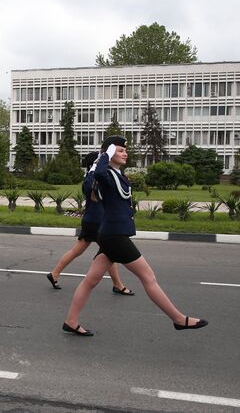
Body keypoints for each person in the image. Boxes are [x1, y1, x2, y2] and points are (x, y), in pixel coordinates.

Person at [63, 136, 208, 336]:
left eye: (125, 150)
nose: (125, 153)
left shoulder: (116, 174)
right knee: (148, 277)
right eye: (120, 150)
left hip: (111, 233)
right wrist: (105, 154)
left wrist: (109, 155)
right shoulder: (103, 173)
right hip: (115, 236)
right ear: (110, 153)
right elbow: (95, 177)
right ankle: (178, 319)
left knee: (91, 280)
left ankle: (71, 321)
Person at [46, 151, 133, 296]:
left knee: (78, 251)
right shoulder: (94, 178)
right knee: (109, 254)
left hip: (91, 220)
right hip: (99, 222)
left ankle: (54, 274)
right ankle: (118, 285)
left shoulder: (90, 177)